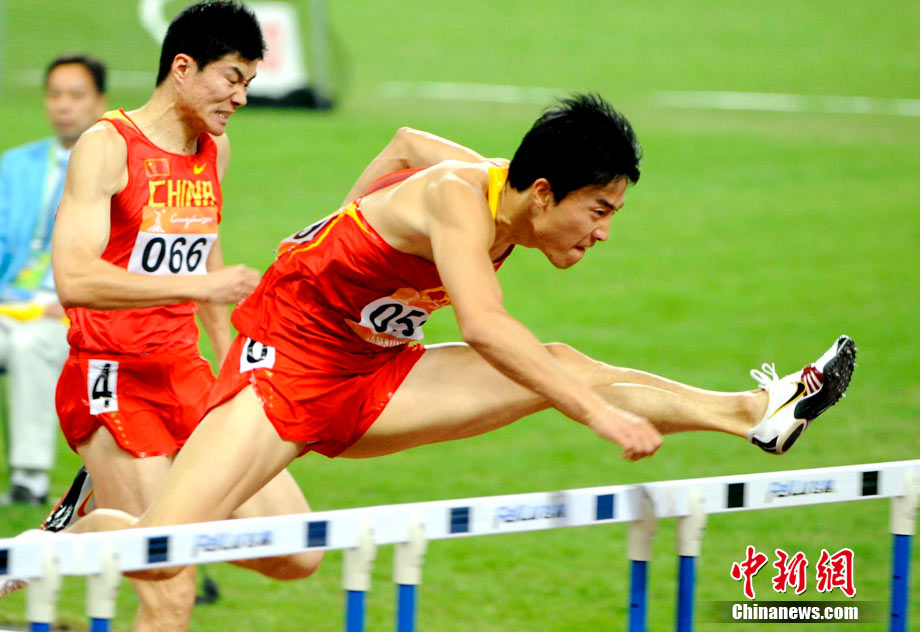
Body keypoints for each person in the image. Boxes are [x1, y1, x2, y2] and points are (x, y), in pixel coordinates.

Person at [63, 93, 856, 590]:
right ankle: (50, 542)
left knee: (559, 365)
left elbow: (406, 139)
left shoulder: (497, 181)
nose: (604, 233)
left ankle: (755, 411)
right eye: (599, 211)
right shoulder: (457, 198)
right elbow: (483, 324)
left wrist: (343, 224)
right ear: (543, 193)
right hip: (283, 368)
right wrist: (597, 415)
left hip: (374, 372)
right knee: (161, 555)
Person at [0, 55, 107, 506]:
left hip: (68, 310)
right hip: (9, 300)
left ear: (100, 102)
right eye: (55, 95)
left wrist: (70, 300)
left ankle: (29, 479)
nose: (64, 105)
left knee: (30, 345)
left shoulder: (116, 169)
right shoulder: (14, 165)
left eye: (76, 96)